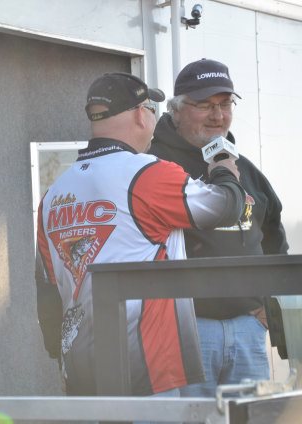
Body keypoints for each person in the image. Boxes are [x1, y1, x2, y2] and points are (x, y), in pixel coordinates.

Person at [35, 72, 246, 399]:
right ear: (139, 114)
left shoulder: (53, 194)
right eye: (151, 109)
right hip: (149, 375)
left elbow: (47, 288)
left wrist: (59, 357)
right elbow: (227, 206)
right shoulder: (148, 172)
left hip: (82, 376)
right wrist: (223, 168)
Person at [149, 58, 289, 397]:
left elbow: (274, 240)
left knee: (250, 419)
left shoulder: (246, 170)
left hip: (248, 329)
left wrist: (269, 308)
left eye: (225, 104)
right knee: (193, 419)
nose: (217, 115)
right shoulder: (152, 167)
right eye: (204, 105)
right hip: (185, 332)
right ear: (176, 111)